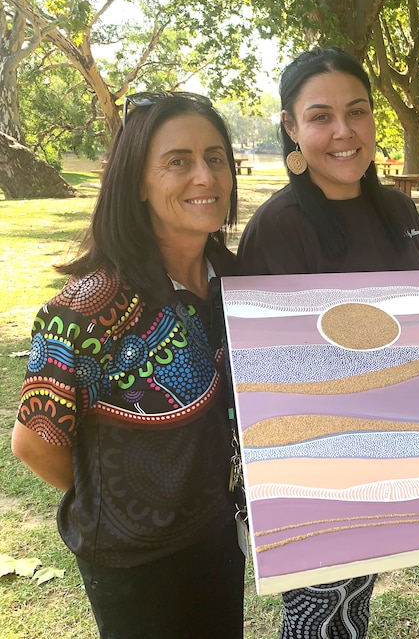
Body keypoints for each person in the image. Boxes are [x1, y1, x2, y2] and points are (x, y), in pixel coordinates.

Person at [11, 91, 245, 638]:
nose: (205, 176)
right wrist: (127, 508)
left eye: (215, 157)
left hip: (217, 536)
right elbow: (34, 445)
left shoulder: (234, 283)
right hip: (134, 568)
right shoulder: (87, 310)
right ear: (137, 182)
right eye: (177, 161)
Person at [237, 47, 419, 638]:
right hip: (312, 470)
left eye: (358, 111)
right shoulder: (277, 228)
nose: (344, 131)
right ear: (292, 129)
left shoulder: (399, 210)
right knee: (317, 615)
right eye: (320, 116)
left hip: (391, 452)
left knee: (355, 607)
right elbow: (264, 373)